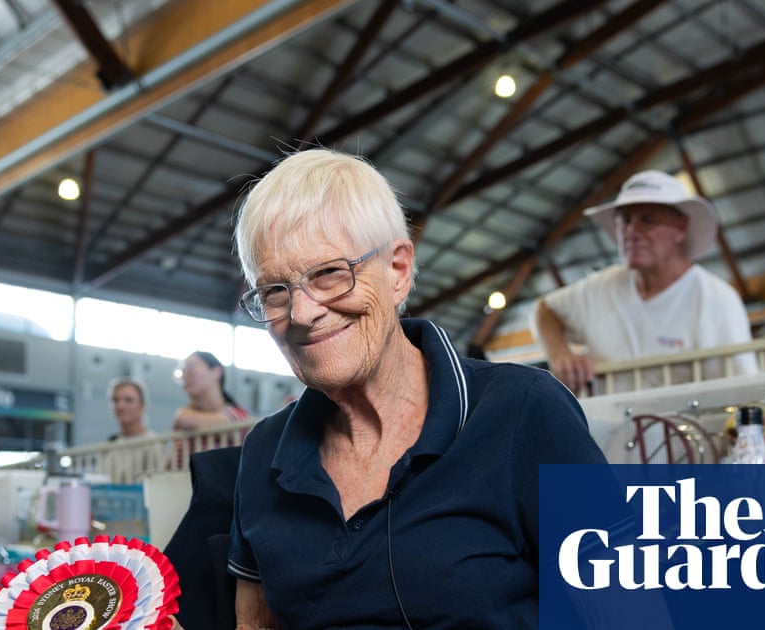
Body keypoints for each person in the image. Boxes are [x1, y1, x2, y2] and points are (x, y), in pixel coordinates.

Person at [217, 148, 606, 629]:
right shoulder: (263, 453)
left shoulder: (524, 411)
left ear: (398, 271)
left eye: (330, 274)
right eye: (275, 290)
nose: (302, 313)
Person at [532, 169, 758, 394]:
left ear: (681, 228)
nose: (632, 231)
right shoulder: (599, 287)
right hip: (602, 430)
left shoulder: (715, 300)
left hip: (685, 429)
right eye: (625, 221)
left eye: (648, 221)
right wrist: (560, 353)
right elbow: (545, 310)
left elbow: (740, 389)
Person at [171, 351, 250, 431]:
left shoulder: (239, 416)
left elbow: (238, 425)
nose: (185, 376)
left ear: (216, 371)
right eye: (183, 371)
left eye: (190, 368)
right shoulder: (182, 417)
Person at [106, 376, 151, 441]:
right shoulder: (109, 447)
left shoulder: (156, 444)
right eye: (116, 400)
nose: (120, 406)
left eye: (128, 400)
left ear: (142, 406)